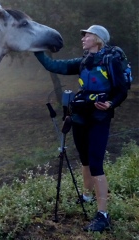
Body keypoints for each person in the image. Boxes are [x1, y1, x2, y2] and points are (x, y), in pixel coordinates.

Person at [34, 25, 127, 232]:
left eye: (87, 35)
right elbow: (53, 65)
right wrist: (35, 49)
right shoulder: (83, 61)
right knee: (84, 159)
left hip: (100, 118)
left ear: (98, 39)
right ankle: (86, 196)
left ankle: (103, 214)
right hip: (80, 116)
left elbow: (121, 90)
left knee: (95, 163)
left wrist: (111, 104)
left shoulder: (110, 61)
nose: (83, 38)